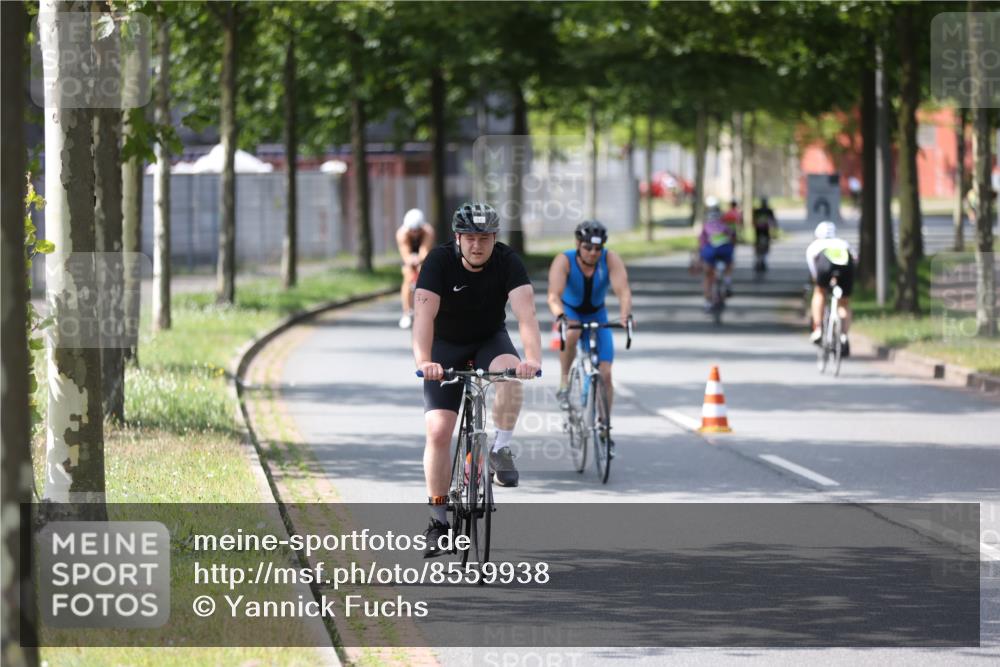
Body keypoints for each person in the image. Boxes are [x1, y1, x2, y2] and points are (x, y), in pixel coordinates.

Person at [413, 202, 542, 557]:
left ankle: (500, 448)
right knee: (439, 430)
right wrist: (425, 361)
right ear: (458, 237)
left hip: (489, 339)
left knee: (511, 376)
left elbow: (526, 314)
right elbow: (423, 317)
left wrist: (532, 359)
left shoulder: (507, 262)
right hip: (445, 346)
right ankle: (438, 520)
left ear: (494, 238)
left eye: (484, 237)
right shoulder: (438, 262)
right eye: (469, 236)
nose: (476, 244)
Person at [547, 220, 633, 456]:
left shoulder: (610, 259)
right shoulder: (563, 260)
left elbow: (623, 290)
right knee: (572, 332)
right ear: (578, 244)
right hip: (571, 312)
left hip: (598, 313)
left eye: (598, 248)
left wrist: (625, 315)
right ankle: (565, 383)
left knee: (605, 373)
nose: (593, 253)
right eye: (588, 248)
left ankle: (604, 427)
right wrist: (561, 316)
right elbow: (553, 296)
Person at [806, 221, 854, 357]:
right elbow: (855, 258)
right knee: (844, 302)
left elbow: (813, 270)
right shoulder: (843, 243)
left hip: (825, 265)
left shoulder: (815, 245)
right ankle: (844, 335)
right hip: (846, 265)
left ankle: (818, 329)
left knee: (819, 292)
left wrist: (818, 282)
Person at [396, 208, 436, 329]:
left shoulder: (428, 231)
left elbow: (424, 250)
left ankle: (430, 310)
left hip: (422, 254)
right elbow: (405, 254)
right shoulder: (401, 234)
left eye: (417, 230)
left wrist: (419, 263)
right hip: (410, 254)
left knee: (425, 273)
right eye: (412, 230)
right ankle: (406, 312)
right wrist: (410, 262)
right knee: (407, 276)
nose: (415, 233)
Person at [699, 196, 737, 310]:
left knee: (707, 276)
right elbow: (732, 237)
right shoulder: (724, 225)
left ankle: (707, 302)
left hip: (710, 253)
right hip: (725, 251)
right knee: (729, 264)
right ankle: (727, 282)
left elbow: (701, 242)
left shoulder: (706, 226)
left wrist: (699, 256)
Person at [752, 196, 778, 273]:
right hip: (765, 232)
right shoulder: (769, 211)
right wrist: (774, 232)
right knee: (765, 247)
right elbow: (773, 222)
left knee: (758, 247)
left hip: (758, 232)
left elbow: (753, 221)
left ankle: (758, 260)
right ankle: (763, 260)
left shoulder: (757, 211)